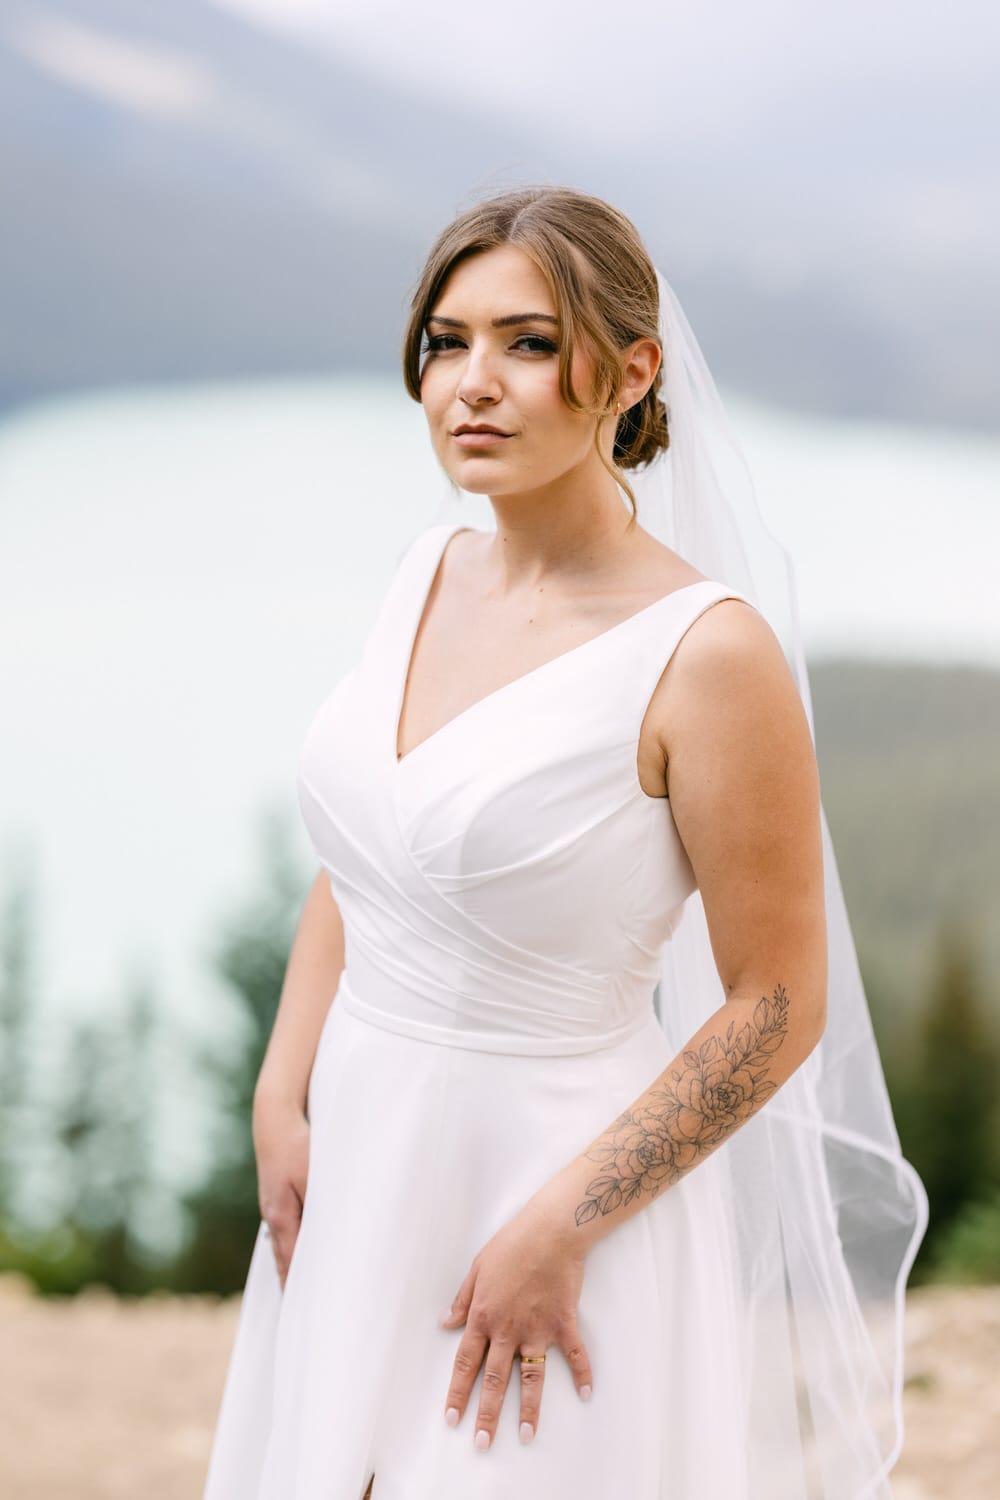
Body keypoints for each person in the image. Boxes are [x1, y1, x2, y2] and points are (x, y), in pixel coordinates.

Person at [202, 187, 926, 1500]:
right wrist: (280, 1090)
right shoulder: (424, 575)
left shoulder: (707, 654)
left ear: (633, 370)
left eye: (529, 343)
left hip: (558, 1193)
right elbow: (370, 858)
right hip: (361, 1157)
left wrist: (562, 1224)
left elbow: (778, 1002)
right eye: (446, 341)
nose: (472, 385)